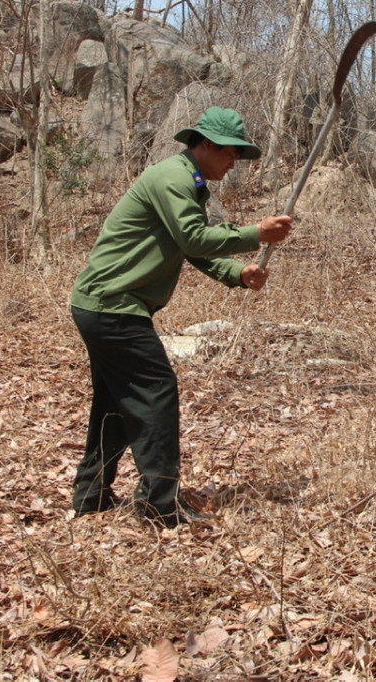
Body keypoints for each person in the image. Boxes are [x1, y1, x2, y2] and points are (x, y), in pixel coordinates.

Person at [68, 106, 292, 527]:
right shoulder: (174, 177)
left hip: (104, 304)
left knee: (116, 401)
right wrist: (255, 234)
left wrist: (237, 273)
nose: (233, 163)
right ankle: (158, 504)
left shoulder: (188, 181)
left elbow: (189, 247)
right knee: (156, 391)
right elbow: (193, 237)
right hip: (113, 305)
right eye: (229, 153)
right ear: (205, 144)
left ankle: (92, 496)